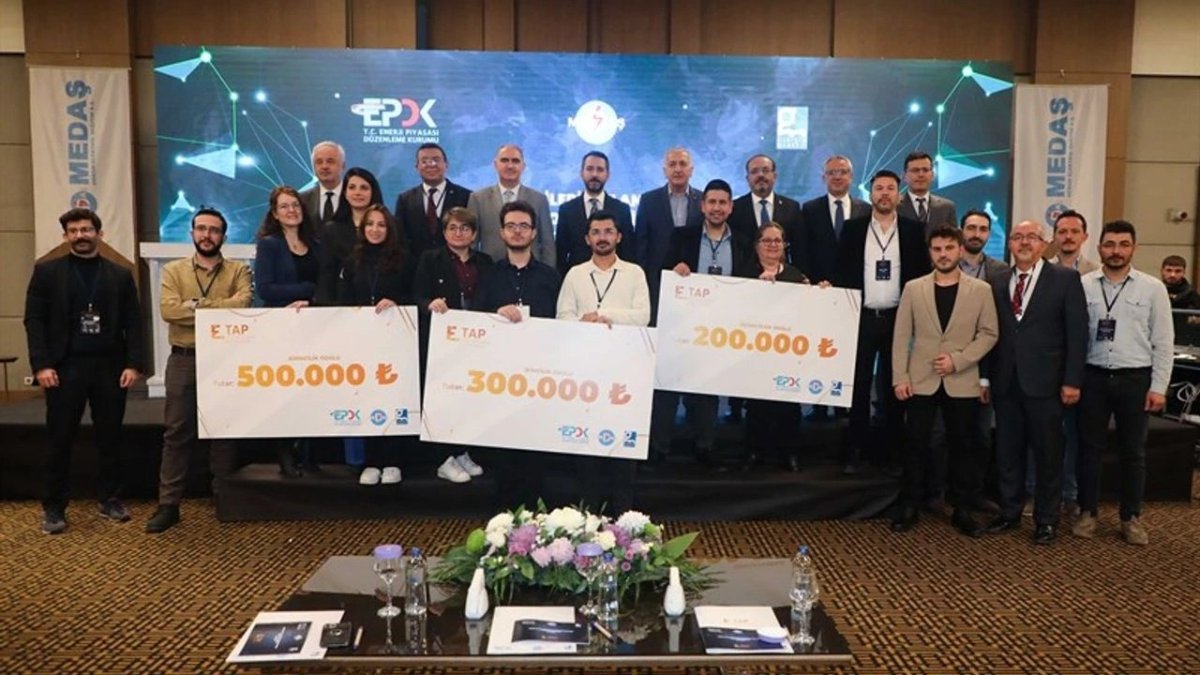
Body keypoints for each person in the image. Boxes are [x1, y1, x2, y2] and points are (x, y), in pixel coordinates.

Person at [23, 208, 143, 534]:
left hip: (110, 367)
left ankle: (110, 499)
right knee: (59, 439)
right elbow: (34, 321)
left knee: (110, 438)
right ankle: (54, 507)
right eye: (74, 231)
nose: (80, 236)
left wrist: (133, 363)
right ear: (65, 236)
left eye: (86, 230)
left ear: (99, 234)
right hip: (64, 368)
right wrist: (41, 365)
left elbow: (134, 322)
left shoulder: (120, 275)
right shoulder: (46, 273)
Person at [146, 208, 253, 533]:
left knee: (223, 431)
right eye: (202, 229)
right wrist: (215, 309)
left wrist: (193, 306)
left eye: (214, 230)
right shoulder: (174, 270)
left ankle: (224, 498)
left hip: (224, 359)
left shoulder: (238, 270)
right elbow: (168, 311)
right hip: (184, 358)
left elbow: (242, 306)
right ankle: (169, 505)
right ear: (192, 233)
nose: (207, 235)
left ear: (224, 236)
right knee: (176, 433)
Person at [982, 220, 1087, 545]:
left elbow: (1077, 334)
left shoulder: (1065, 279)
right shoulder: (997, 281)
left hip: (1047, 385)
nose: (1024, 242)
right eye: (1017, 237)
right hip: (1005, 382)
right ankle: (1010, 512)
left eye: (1031, 237)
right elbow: (989, 333)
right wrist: (985, 378)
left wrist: (1072, 380)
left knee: (1048, 455)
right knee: (1008, 453)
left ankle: (1046, 519)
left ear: (1044, 244)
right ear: (1009, 244)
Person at [890, 225, 998, 537]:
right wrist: (900, 377)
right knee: (915, 445)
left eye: (949, 248)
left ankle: (962, 510)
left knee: (963, 447)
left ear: (960, 250)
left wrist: (958, 360)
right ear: (930, 253)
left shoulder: (981, 290)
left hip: (961, 378)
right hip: (920, 380)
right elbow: (901, 335)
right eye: (937, 249)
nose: (943, 254)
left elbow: (989, 333)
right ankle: (910, 506)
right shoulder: (914, 288)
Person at [1075, 220, 1173, 545]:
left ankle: (1131, 517)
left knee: (1133, 452)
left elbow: (1163, 341)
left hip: (1135, 378)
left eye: (1123, 244)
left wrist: (1158, 387)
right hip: (1093, 377)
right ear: (1099, 247)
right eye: (1110, 244)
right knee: (1089, 449)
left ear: (1134, 248)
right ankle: (1087, 511)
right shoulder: (1084, 285)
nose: (1116, 251)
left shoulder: (1153, 288)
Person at [834, 170, 931, 474]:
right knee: (858, 387)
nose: (885, 193)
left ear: (898, 195)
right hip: (862, 318)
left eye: (890, 188)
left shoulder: (913, 230)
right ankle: (855, 451)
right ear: (871, 194)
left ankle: (891, 453)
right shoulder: (853, 228)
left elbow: (920, 274)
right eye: (879, 188)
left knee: (894, 387)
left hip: (898, 319)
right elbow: (842, 271)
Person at [654, 179, 753, 468]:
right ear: (702, 205)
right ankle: (659, 447)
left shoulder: (743, 241)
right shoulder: (682, 236)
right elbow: (663, 272)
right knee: (668, 387)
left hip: (721, 328)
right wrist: (675, 269)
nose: (717, 208)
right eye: (712, 202)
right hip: (681, 325)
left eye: (722, 202)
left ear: (730, 207)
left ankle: (705, 446)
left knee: (708, 390)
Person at [557, 209, 652, 512]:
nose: (602, 237)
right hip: (585, 372)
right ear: (587, 239)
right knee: (587, 451)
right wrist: (582, 322)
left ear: (619, 237)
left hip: (625, 372)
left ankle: (624, 519)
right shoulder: (575, 274)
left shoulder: (634, 273)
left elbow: (643, 316)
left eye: (608, 231)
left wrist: (604, 315)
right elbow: (562, 317)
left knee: (623, 449)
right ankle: (587, 517)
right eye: (596, 232)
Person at [475, 200, 563, 508]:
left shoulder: (551, 276)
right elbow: (476, 318)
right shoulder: (489, 274)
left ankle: (537, 514)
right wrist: (495, 314)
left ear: (534, 232)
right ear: (501, 232)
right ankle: (504, 517)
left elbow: (561, 323)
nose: (517, 231)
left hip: (540, 375)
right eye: (511, 226)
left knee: (536, 448)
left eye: (523, 226)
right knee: (504, 449)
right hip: (501, 375)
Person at [413, 206, 494, 483]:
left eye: (464, 228)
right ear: (444, 232)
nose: (458, 233)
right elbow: (418, 295)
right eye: (452, 228)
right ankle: (442, 458)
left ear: (474, 234)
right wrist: (429, 304)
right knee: (442, 399)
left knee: (467, 400)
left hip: (475, 343)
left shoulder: (485, 262)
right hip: (441, 343)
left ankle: (461, 452)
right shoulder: (430, 259)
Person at [336, 204, 413, 486]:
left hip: (395, 342)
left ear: (389, 229)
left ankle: (393, 460)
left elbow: (414, 295)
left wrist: (397, 303)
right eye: (370, 224)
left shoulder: (404, 259)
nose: (375, 229)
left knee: (394, 400)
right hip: (362, 342)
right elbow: (344, 300)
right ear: (362, 228)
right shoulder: (352, 261)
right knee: (366, 399)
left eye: (381, 225)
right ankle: (371, 461)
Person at [255, 186, 324, 476]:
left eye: (295, 205)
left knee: (312, 390)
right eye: (284, 206)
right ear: (275, 213)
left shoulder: (316, 244)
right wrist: (305, 290)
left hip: (313, 326)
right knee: (285, 393)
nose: (291, 210)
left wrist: (312, 299)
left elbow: (324, 283)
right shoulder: (269, 245)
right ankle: (285, 454)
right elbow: (265, 288)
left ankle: (306, 453)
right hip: (281, 328)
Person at [740, 222, 808, 471]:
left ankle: (790, 453)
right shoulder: (744, 274)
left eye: (777, 240)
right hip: (754, 352)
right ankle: (754, 452)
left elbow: (808, 311)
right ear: (757, 245)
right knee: (756, 406)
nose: (772, 245)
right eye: (766, 240)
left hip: (787, 352)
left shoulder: (796, 275)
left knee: (788, 405)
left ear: (785, 245)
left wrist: (820, 294)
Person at [634, 147, 704, 323]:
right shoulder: (649, 200)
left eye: (683, 164)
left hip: (694, 282)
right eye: (672, 164)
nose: (678, 169)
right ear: (665, 171)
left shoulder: (704, 201)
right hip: (656, 282)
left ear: (691, 170)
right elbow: (641, 244)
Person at [467, 144, 554, 265]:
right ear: (495, 165)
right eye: (504, 160)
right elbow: (471, 242)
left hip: (531, 271)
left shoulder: (539, 200)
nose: (510, 166)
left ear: (523, 166)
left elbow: (547, 243)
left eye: (515, 161)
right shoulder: (478, 199)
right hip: (490, 269)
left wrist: (548, 272)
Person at [797, 155, 871, 285]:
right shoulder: (810, 209)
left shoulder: (866, 210)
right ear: (824, 178)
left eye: (843, 172)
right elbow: (803, 250)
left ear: (851, 177)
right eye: (831, 173)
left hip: (856, 285)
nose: (837, 177)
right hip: (820, 285)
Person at [318, 167, 388, 305]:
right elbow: (327, 274)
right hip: (342, 304)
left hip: (384, 304)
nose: (357, 192)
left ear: (373, 192)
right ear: (344, 192)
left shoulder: (391, 225)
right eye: (352, 187)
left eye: (364, 188)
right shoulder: (331, 230)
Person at [555, 151, 635, 270]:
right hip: (577, 277)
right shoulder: (567, 210)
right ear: (581, 173)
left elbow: (628, 252)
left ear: (608, 175)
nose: (594, 174)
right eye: (590, 169)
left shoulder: (621, 210)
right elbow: (560, 253)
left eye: (600, 169)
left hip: (614, 276)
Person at [393, 142, 472, 258]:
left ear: (446, 164)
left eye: (436, 160)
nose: (431, 165)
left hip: (455, 264)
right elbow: (400, 239)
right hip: (416, 266)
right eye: (424, 161)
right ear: (417, 167)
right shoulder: (405, 200)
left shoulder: (466, 196)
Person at [897, 151, 957, 235]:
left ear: (932, 175)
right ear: (904, 176)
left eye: (925, 170)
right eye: (915, 170)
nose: (921, 175)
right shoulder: (895, 207)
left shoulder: (947, 207)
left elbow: (953, 239)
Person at [299, 140, 346, 228]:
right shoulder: (301, 199)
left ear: (343, 166)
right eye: (319, 162)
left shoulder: (354, 198)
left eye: (330, 161)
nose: (324, 166)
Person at [1048, 209, 1099, 274]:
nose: (1068, 236)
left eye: (1075, 231)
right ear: (1054, 237)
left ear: (1084, 237)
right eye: (1062, 232)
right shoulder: (1041, 269)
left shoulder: (1097, 270)